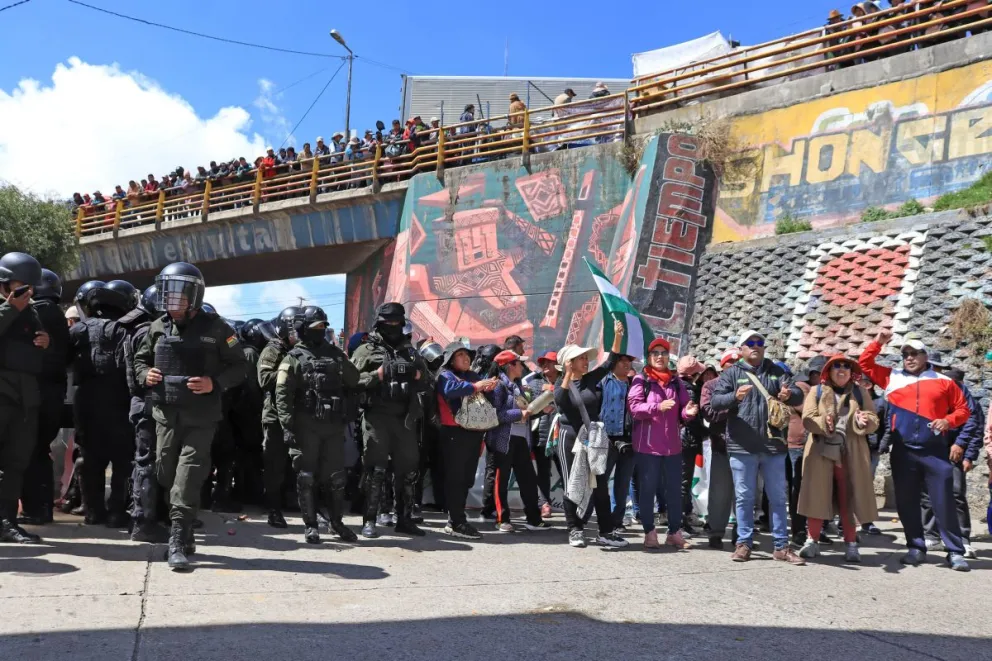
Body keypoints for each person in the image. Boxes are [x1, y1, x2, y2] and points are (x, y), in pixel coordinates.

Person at [134, 262, 246, 571]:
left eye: (177, 295)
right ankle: (184, 530)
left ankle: (177, 541)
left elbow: (240, 366)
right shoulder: (157, 327)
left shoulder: (218, 328)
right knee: (165, 473)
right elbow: (140, 360)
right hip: (165, 416)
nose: (170, 301)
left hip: (201, 417)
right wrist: (146, 374)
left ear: (194, 296)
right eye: (167, 294)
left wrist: (214, 383)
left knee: (187, 476)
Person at [859, 332, 971, 571]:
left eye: (914, 353)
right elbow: (864, 364)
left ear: (925, 356)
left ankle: (955, 551)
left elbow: (963, 410)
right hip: (903, 450)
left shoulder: (944, 381)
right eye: (905, 354)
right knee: (907, 502)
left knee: (944, 501)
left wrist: (948, 421)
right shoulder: (892, 377)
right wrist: (878, 342)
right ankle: (916, 547)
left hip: (935, 451)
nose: (909, 358)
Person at [709, 330, 805, 565]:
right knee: (744, 497)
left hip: (773, 446)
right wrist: (735, 396)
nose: (755, 345)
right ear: (741, 348)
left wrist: (789, 394)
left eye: (759, 342)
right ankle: (744, 543)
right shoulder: (732, 373)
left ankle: (781, 546)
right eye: (750, 343)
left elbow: (797, 394)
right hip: (742, 445)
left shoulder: (777, 371)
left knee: (778, 497)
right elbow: (716, 402)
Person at [275, 306, 360, 544]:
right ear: (303, 329)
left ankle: (336, 523)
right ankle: (311, 525)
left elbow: (354, 379)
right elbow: (282, 395)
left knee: (336, 477)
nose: (320, 330)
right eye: (315, 327)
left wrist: (341, 362)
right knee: (306, 477)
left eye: (323, 326)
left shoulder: (335, 354)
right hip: (306, 426)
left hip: (333, 426)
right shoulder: (293, 358)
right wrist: (287, 426)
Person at [350, 303, 428, 539]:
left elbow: (427, 381)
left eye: (397, 322)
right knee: (376, 469)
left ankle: (404, 519)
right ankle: (369, 520)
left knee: (408, 470)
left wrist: (417, 374)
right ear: (379, 324)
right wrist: (378, 375)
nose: (393, 326)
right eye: (389, 323)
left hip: (405, 418)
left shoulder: (410, 351)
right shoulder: (366, 350)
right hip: (377, 417)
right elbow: (351, 380)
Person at [797, 355, 879, 563]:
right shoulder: (816, 391)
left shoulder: (860, 392)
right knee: (816, 496)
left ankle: (851, 543)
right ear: (828, 371)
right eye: (836, 366)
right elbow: (808, 418)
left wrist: (864, 420)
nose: (842, 370)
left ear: (852, 372)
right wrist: (823, 422)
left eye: (846, 366)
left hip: (851, 452)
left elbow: (873, 418)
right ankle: (812, 540)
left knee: (848, 498)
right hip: (820, 451)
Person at [554, 319, 627, 549]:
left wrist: (617, 336)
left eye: (586, 357)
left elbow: (610, 363)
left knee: (600, 486)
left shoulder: (590, 379)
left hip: (593, 440)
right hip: (569, 438)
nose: (586, 361)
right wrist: (567, 375)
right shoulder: (561, 384)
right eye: (581, 358)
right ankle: (575, 530)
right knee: (573, 485)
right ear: (569, 363)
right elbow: (560, 401)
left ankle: (605, 532)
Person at [68, 280, 135, 528]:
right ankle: (117, 512)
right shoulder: (127, 330)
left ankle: (93, 512)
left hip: (86, 401)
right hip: (120, 401)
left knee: (90, 458)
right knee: (122, 460)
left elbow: (61, 362)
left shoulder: (78, 330)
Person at [628, 339, 699, 549]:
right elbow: (634, 408)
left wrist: (689, 412)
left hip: (673, 447)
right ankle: (649, 532)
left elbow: (683, 409)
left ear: (669, 357)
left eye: (664, 353)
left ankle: (674, 532)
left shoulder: (676, 382)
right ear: (649, 358)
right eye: (655, 353)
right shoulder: (641, 380)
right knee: (648, 490)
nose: (660, 357)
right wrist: (657, 407)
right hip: (648, 447)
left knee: (674, 491)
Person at [0, 253, 49, 544]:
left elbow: (35, 341)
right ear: (5, 282)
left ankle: (7, 522)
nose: (27, 292)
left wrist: (44, 341)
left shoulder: (30, 310)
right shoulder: (9, 307)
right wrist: (9, 309)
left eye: (30, 287)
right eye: (22, 285)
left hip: (25, 398)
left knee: (16, 462)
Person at [17, 269, 68, 526]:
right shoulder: (55, 313)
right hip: (51, 396)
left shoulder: (40, 311)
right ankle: (42, 508)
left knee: (29, 453)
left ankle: (35, 508)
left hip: (38, 396)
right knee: (39, 452)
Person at [920, 355, 983, 559]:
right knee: (927, 494)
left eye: (938, 368)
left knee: (956, 494)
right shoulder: (920, 387)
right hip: (930, 449)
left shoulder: (958, 390)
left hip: (953, 451)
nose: (935, 371)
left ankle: (963, 539)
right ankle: (931, 536)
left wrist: (964, 449)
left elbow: (972, 422)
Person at [120, 285, 169, 543]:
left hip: (143, 404)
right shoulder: (147, 332)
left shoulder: (137, 329)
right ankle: (143, 523)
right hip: (148, 404)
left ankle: (143, 517)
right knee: (147, 464)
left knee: (146, 462)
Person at [436, 343, 494, 539]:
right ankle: (456, 522)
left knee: (467, 479)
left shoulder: (472, 375)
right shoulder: (445, 375)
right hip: (454, 433)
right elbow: (450, 390)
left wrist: (488, 388)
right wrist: (476, 386)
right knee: (456, 479)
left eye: (467, 354)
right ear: (451, 359)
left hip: (473, 433)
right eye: (460, 354)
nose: (466, 358)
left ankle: (456, 520)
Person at [486, 350, 549, 532]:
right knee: (501, 481)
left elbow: (524, 413)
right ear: (509, 366)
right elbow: (496, 414)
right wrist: (519, 413)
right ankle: (502, 519)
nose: (522, 366)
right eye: (519, 363)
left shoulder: (518, 386)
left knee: (528, 480)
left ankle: (534, 519)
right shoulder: (498, 385)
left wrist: (540, 410)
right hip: (502, 440)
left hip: (521, 439)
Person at [258, 307, 301, 529]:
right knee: (275, 464)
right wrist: (289, 372)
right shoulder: (273, 349)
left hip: (299, 414)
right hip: (275, 416)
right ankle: (273, 508)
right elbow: (264, 379)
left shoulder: (302, 350)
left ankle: (293, 500)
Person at [700, 349, 739, 549]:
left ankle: (742, 536)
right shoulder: (711, 385)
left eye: (737, 362)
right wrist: (733, 404)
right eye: (730, 363)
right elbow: (708, 411)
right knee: (719, 493)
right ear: (722, 366)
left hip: (746, 447)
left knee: (744, 494)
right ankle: (715, 533)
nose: (734, 366)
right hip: (721, 445)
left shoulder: (750, 384)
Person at [788, 355, 826, 545]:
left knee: (818, 490)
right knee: (799, 490)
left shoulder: (821, 389)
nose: (820, 377)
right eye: (818, 373)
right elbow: (809, 412)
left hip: (818, 444)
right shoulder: (800, 387)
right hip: (798, 445)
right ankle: (799, 531)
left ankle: (815, 529)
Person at [522, 351, 560, 518]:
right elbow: (531, 407)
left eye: (549, 362)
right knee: (543, 472)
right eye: (543, 362)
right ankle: (544, 504)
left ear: (558, 365)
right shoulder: (535, 382)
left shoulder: (567, 381)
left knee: (566, 471)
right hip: (542, 434)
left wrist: (553, 389)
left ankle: (573, 505)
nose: (545, 365)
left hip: (562, 434)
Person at [600, 351, 634, 530]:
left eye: (629, 361)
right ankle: (600, 518)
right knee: (601, 480)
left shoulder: (635, 384)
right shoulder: (603, 381)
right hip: (607, 437)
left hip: (630, 439)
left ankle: (617, 521)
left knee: (623, 484)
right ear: (613, 363)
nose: (626, 364)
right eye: (622, 361)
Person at [676, 355, 707, 534]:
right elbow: (693, 420)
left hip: (679, 439)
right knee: (683, 482)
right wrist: (707, 433)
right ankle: (679, 524)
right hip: (687, 440)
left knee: (681, 481)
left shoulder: (675, 386)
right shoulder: (690, 391)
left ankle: (683, 518)